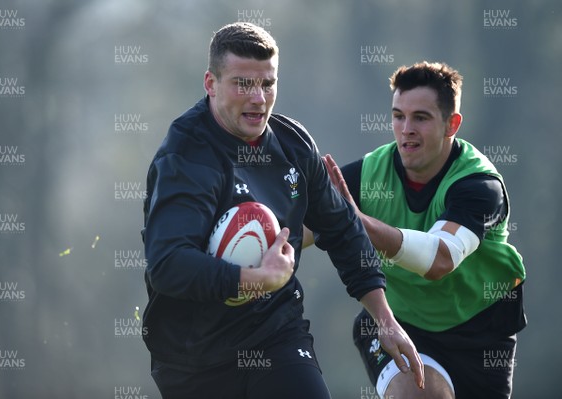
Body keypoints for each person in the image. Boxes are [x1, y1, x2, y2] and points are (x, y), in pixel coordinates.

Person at [141, 22, 424, 399]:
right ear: (210, 83)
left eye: (268, 84)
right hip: (193, 356)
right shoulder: (187, 158)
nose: (259, 98)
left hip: (276, 335)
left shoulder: (292, 144)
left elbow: (341, 227)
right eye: (243, 84)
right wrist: (258, 279)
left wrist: (385, 321)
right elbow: (168, 265)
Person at [306, 61, 526, 398]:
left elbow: (439, 259)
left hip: (482, 335)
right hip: (398, 325)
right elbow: (294, 231)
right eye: (398, 116)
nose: (406, 128)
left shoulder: (479, 186)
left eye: (420, 118)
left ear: (452, 124)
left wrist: (355, 220)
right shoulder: (368, 175)